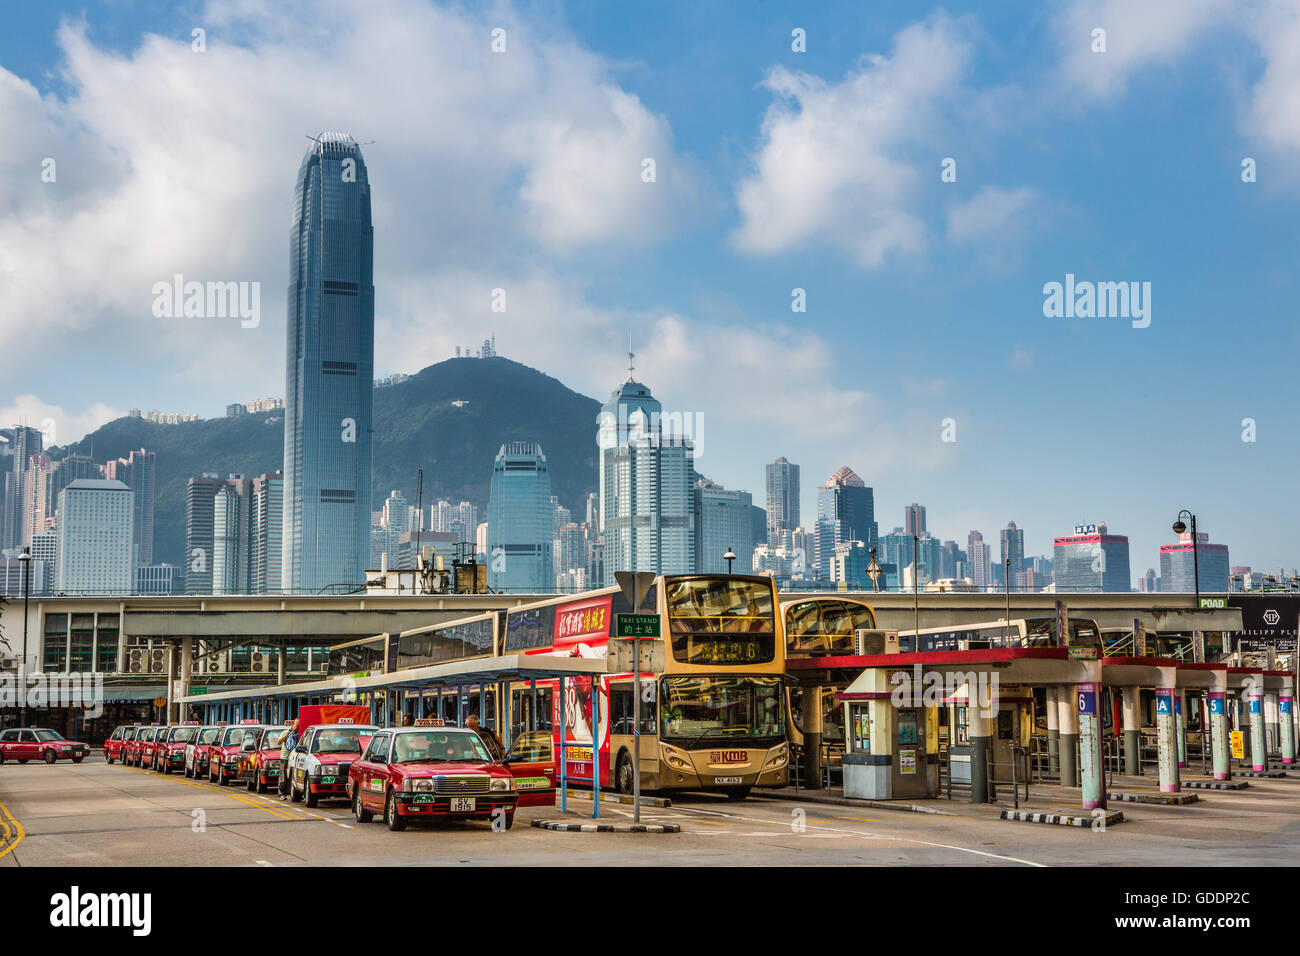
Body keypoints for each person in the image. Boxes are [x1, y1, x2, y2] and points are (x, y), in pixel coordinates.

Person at [278, 718, 299, 800]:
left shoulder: (299, 734)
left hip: (294, 758)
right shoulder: (285, 732)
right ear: (294, 724)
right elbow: (279, 742)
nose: (298, 727)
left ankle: (290, 792)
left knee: (292, 776)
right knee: (283, 776)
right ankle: (282, 793)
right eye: (297, 725)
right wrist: (286, 736)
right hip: (285, 757)